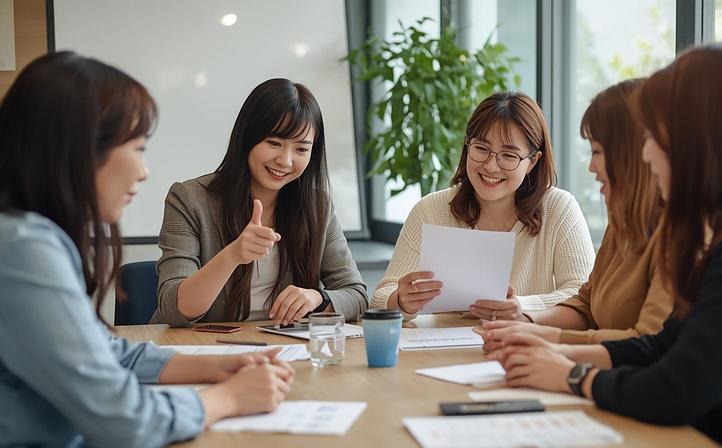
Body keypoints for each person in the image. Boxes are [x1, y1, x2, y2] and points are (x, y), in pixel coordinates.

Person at [486, 43, 722, 446]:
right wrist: (556, 354)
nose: (646, 152)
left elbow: (677, 389)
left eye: (655, 135)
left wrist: (570, 374)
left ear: (700, 140)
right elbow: (664, 347)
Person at [0, 52, 294, 447]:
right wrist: (228, 398)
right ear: (80, 149)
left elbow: (104, 354)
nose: (143, 171)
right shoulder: (23, 249)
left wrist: (219, 366)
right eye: (137, 148)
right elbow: (123, 419)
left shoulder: (30, 236)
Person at [150, 78, 368, 327]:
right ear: (247, 138)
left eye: (301, 149)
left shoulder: (318, 206)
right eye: (274, 143)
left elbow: (358, 295)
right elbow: (173, 309)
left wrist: (317, 298)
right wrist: (232, 255)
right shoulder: (189, 199)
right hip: (207, 349)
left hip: (284, 351)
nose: (285, 160)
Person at [478, 79, 672, 346]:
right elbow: (585, 304)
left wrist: (546, 339)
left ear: (633, 154)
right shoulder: (621, 225)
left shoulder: (678, 235)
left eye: (597, 151)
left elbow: (649, 343)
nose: (591, 167)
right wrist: (527, 323)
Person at [371, 91, 595, 320]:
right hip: (444, 351)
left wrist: (521, 306)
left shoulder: (560, 208)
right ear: (467, 146)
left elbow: (584, 295)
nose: (490, 166)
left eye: (508, 155)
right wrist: (401, 300)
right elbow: (381, 296)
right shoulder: (430, 210)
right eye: (481, 148)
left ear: (532, 162)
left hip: (524, 350)